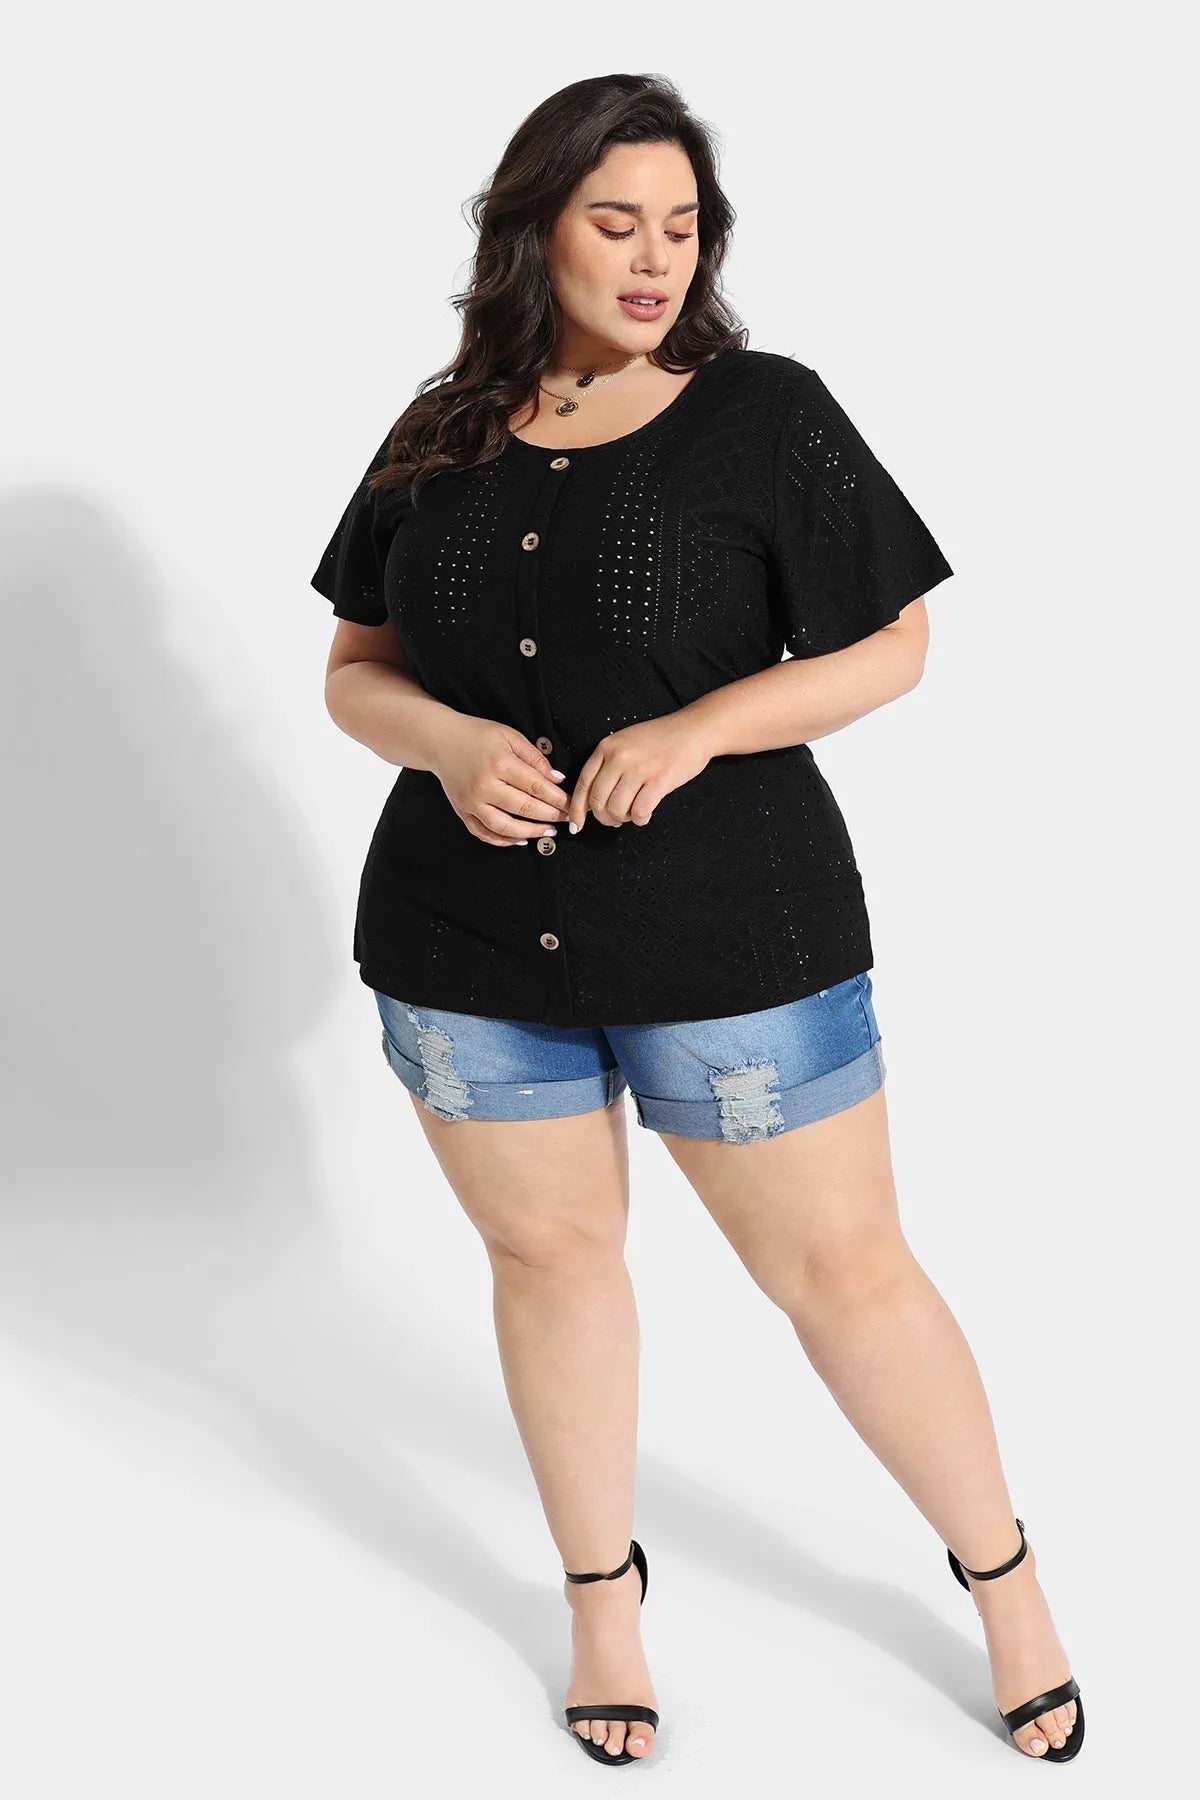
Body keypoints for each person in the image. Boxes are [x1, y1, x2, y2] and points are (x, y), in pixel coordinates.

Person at [310, 73, 1082, 1768]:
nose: (656, 258)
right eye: (617, 223)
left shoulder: (763, 413)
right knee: (549, 1262)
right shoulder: (439, 431)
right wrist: (445, 744)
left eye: (682, 226)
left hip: (734, 933)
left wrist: (700, 728)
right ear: (534, 231)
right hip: (462, 941)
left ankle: (1006, 1580)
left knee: (843, 1276)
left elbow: (894, 643)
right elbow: (357, 672)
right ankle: (603, 1602)